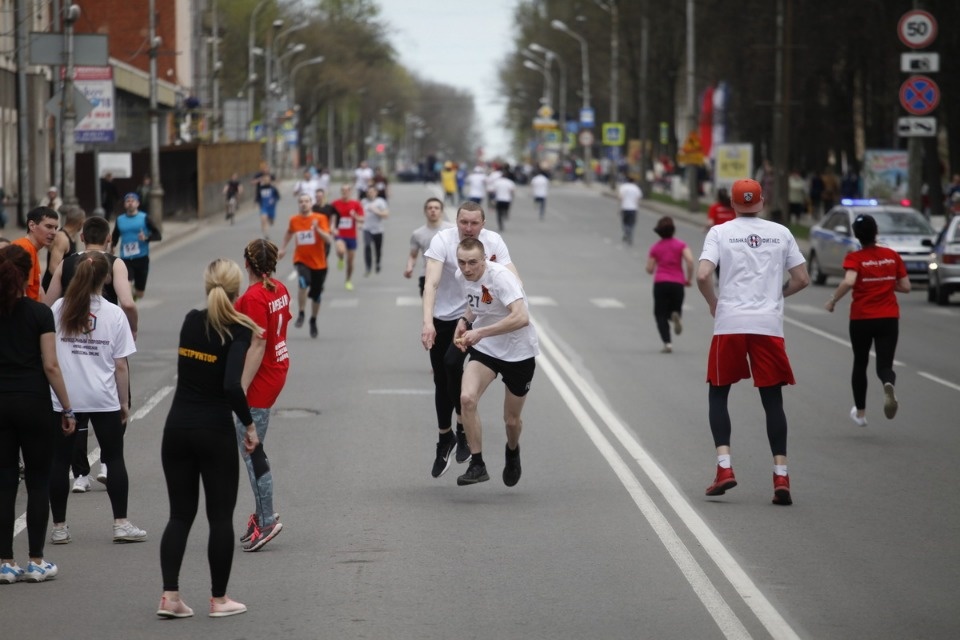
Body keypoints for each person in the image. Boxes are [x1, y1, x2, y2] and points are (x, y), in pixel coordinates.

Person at [157, 258, 261, 619]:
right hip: (213, 431)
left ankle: (170, 597)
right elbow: (232, 385)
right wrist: (249, 426)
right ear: (236, 292)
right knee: (219, 518)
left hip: (177, 429)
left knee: (179, 516)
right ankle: (218, 600)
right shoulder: (238, 329)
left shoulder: (189, 321)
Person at [696, 178, 809, 506]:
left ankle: (724, 469)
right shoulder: (782, 232)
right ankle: (781, 476)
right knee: (772, 401)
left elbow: (703, 274)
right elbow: (802, 278)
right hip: (768, 325)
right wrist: (778, 294)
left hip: (730, 322)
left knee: (718, 393)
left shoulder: (720, 232)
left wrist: (712, 302)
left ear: (732, 204)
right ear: (761, 202)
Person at [47, 253, 145, 546]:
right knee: (114, 458)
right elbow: (120, 365)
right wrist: (124, 402)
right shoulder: (114, 313)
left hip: (65, 398)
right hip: (103, 397)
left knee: (59, 461)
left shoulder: (58, 308)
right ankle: (120, 523)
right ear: (105, 279)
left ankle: (60, 527)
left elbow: (48, 352)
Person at [421, 201, 518, 478]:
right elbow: (432, 283)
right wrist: (428, 322)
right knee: (442, 377)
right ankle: (446, 437)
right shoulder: (443, 239)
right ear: (457, 221)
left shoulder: (493, 242)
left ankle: (463, 426)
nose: (468, 228)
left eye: (474, 223)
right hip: (444, 316)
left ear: (483, 224)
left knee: (454, 364)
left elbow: (513, 276)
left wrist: (519, 309)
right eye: (463, 222)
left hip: (478, 317)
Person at [45, 215, 139, 492]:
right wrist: (132, 328)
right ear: (109, 239)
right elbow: (128, 302)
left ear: (82, 237)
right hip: (105, 337)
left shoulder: (68, 262)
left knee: (76, 411)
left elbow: (46, 304)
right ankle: (109, 463)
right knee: (115, 403)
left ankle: (80, 475)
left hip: (71, 341)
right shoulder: (115, 262)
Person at [0, 244, 75, 583]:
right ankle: (35, 560)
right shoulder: (39, 313)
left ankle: (4, 561)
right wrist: (67, 406)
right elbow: (50, 365)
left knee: (3, 483)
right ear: (28, 273)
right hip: (33, 402)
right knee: (38, 480)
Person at [451, 237, 539, 487]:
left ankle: (512, 451)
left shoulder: (501, 277)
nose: (466, 268)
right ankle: (477, 464)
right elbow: (478, 304)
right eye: (461, 262)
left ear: (484, 260)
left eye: (472, 263)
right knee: (467, 398)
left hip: (518, 352)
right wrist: (465, 321)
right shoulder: (462, 277)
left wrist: (480, 332)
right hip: (487, 350)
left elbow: (521, 317)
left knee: (511, 421)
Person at [824, 214, 910, 426]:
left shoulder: (855, 258)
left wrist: (833, 300)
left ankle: (861, 413)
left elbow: (850, 281)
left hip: (862, 318)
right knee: (884, 365)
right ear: (876, 231)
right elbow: (906, 286)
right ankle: (888, 383)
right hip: (889, 317)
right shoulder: (892, 256)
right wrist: (887, 283)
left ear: (857, 235)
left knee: (860, 363)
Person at [235, 240, 291, 552]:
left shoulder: (255, 296)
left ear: (247, 262)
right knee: (253, 449)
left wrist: (240, 388)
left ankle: (267, 518)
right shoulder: (278, 288)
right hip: (278, 365)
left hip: (261, 376)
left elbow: (257, 343)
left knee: (252, 452)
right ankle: (261, 512)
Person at [278, 194, 334, 339]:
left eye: (306, 201)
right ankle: (302, 312)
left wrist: (317, 229)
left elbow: (328, 239)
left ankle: (313, 320)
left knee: (317, 296)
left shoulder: (320, 219)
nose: (304, 204)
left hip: (319, 264)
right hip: (301, 260)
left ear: (311, 203)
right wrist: (283, 248)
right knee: (303, 282)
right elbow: (289, 232)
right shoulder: (294, 220)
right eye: (301, 202)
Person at [646, 216, 694, 354]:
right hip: (677, 283)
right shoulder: (681, 245)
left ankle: (667, 343)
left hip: (661, 283)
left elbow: (650, 269)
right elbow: (690, 261)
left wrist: (651, 267)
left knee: (660, 314)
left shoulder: (655, 247)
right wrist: (688, 278)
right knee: (675, 308)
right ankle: (675, 314)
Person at [111, 192, 161, 301]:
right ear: (125, 204)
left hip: (142, 258)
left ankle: (134, 296)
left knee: (140, 293)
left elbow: (158, 235)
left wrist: (146, 238)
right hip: (126, 258)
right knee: (126, 286)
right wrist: (112, 246)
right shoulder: (120, 220)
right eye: (127, 201)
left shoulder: (144, 218)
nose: (130, 203)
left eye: (132, 201)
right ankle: (128, 306)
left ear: (137, 203)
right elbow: (115, 235)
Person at [405, 197, 453, 296]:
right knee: (429, 309)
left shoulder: (452, 230)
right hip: (427, 275)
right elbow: (413, 255)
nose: (433, 210)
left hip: (449, 275)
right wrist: (409, 267)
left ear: (442, 212)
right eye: (430, 208)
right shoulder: (418, 234)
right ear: (425, 211)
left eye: (436, 208)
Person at [13, 207, 59, 301]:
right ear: (32, 225)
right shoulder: (25, 248)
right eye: (48, 226)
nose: (54, 232)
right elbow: (22, 291)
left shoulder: (30, 248)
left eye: (56, 228)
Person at [42, 205, 84, 292]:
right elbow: (53, 268)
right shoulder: (62, 238)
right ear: (80, 222)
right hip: (53, 289)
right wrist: (69, 285)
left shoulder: (73, 236)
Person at [331, 184, 364, 291]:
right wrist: (332, 227)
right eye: (343, 190)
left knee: (350, 261)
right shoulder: (335, 204)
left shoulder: (356, 204)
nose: (345, 192)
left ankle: (348, 280)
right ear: (341, 192)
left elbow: (362, 219)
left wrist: (355, 216)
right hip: (339, 234)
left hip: (351, 236)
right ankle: (340, 257)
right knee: (340, 250)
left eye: (347, 190)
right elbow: (328, 217)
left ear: (350, 192)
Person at [361, 185, 388, 277]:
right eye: (368, 192)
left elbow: (386, 214)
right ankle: (368, 267)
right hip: (366, 229)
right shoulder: (363, 202)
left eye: (372, 192)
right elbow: (359, 214)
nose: (370, 193)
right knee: (367, 246)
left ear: (376, 193)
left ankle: (378, 262)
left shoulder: (380, 202)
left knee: (378, 249)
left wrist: (376, 211)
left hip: (378, 229)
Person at [618, 175, 642, 245]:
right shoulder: (636, 188)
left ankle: (626, 233)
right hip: (633, 208)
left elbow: (620, 197)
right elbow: (638, 198)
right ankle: (630, 235)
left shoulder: (623, 187)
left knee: (624, 222)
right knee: (632, 223)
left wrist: (619, 206)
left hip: (625, 207)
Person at [256, 175, 280, 240]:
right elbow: (258, 198)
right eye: (265, 180)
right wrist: (258, 204)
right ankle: (266, 234)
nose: (266, 181)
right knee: (264, 220)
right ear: (263, 180)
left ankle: (270, 221)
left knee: (271, 222)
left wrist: (273, 200)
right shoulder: (260, 188)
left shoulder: (273, 188)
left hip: (271, 208)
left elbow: (278, 197)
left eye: (268, 179)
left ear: (270, 180)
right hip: (264, 207)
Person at [493, 167, 516, 232]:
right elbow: (512, 191)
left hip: (499, 199)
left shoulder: (497, 182)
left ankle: (500, 225)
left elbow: (494, 191)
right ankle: (505, 214)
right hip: (507, 199)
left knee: (499, 213)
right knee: (505, 210)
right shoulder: (510, 182)